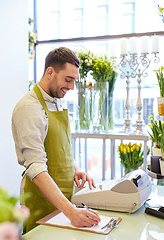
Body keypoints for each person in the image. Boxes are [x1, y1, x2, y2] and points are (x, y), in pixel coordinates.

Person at [12, 47, 101, 232]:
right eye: (68, 80)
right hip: (42, 203)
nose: (71, 87)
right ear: (50, 72)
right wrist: (72, 212)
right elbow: (35, 167)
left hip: (65, 201)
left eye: (74, 80)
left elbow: (61, 148)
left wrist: (74, 169)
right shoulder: (29, 108)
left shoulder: (57, 101)